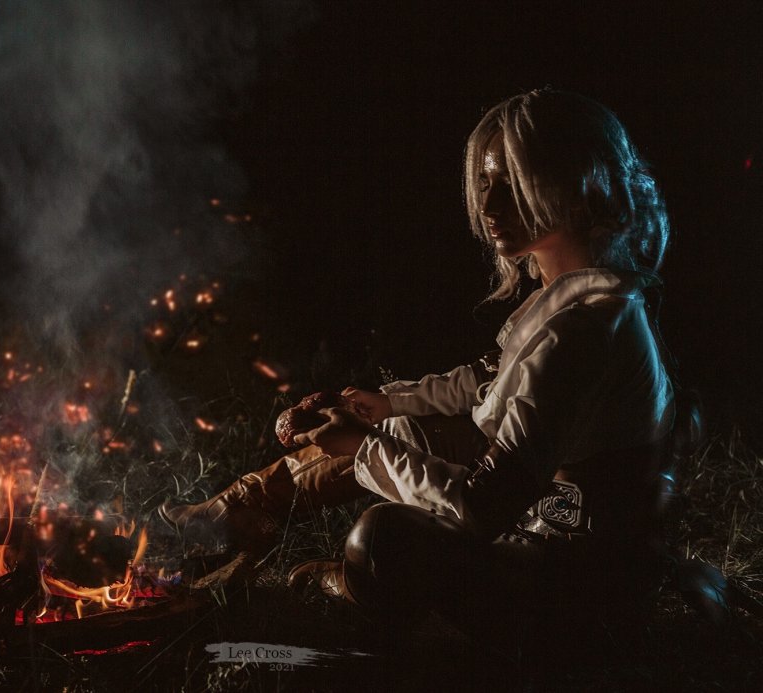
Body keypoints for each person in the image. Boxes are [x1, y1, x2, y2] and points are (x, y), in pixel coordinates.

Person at [160, 89, 677, 651]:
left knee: (383, 537)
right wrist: (386, 406)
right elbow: (488, 382)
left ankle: (357, 586)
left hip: (567, 583)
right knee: (403, 435)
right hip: (546, 530)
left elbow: (483, 508)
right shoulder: (575, 299)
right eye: (485, 182)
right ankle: (235, 515)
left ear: (578, 186)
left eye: (514, 182)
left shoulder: (584, 329)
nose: (489, 203)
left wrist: (362, 446)